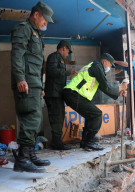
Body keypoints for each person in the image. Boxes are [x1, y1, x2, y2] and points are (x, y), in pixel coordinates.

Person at [11, 1, 54, 173]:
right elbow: (17, 55)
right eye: (45, 20)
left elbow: (35, 64)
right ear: (36, 14)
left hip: (33, 83)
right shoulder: (24, 29)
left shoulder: (35, 33)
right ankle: (22, 158)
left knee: (35, 120)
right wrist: (20, 78)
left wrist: (40, 86)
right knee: (31, 118)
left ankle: (29, 155)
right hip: (25, 82)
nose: (46, 23)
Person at [63, 53, 127, 151]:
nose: (110, 68)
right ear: (105, 61)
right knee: (97, 114)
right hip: (74, 94)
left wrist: (118, 93)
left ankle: (85, 142)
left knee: (91, 115)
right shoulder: (97, 66)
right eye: (110, 65)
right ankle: (89, 142)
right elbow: (105, 86)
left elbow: (103, 87)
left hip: (74, 94)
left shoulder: (96, 66)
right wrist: (120, 87)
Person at [44, 40, 77, 150]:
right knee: (57, 118)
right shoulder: (54, 57)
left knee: (59, 117)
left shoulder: (59, 59)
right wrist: (68, 72)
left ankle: (57, 141)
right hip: (53, 94)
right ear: (63, 48)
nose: (67, 54)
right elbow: (52, 71)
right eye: (68, 51)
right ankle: (56, 143)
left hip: (57, 93)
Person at [114, 49, 135, 132]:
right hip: (132, 90)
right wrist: (109, 74)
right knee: (132, 107)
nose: (126, 57)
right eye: (125, 56)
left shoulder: (134, 63)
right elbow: (120, 69)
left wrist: (115, 61)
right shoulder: (127, 65)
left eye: (128, 55)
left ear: (133, 55)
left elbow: (127, 65)